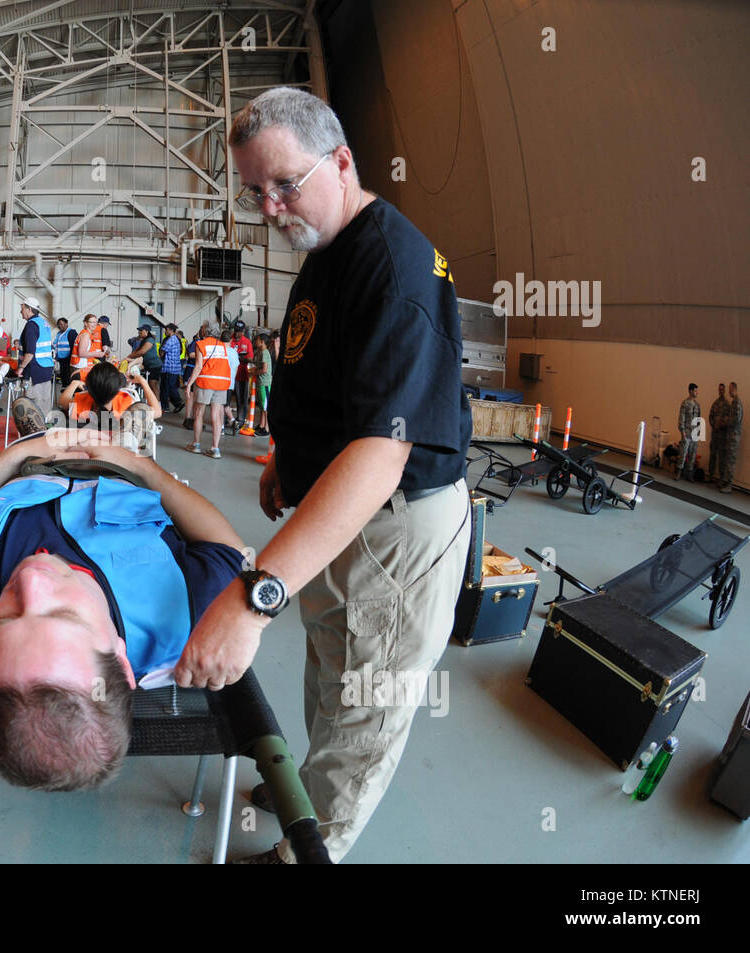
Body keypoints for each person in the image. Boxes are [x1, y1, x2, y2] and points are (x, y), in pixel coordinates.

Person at [175, 87, 472, 864]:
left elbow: (381, 451)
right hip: (337, 512)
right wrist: (287, 456)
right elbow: (337, 384)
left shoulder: (394, 267)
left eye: (284, 184)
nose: (269, 207)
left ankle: (316, 844)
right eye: (255, 192)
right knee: (331, 670)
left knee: (365, 701)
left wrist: (253, 596)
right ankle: (302, 782)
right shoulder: (328, 250)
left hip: (393, 522)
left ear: (342, 161)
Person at [0, 430, 246, 790]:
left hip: (27, 470)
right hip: (118, 472)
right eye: (64, 615)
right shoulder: (186, 613)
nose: (31, 579)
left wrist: (13, 457)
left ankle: (39, 428)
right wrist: (140, 464)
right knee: (121, 418)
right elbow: (228, 548)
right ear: (122, 661)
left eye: (5, 619)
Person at [183, 321, 231, 458]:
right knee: (216, 415)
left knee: (199, 413)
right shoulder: (223, 346)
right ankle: (215, 449)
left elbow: (198, 367)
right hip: (222, 383)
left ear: (205, 331)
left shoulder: (201, 344)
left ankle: (196, 445)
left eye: (203, 328)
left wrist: (188, 384)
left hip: (205, 382)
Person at [16, 298, 55, 418]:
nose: (20, 311)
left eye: (22, 309)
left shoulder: (31, 326)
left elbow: (30, 353)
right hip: (46, 368)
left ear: (29, 309)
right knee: (44, 403)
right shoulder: (43, 323)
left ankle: (34, 432)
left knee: (32, 405)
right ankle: (44, 429)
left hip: (34, 370)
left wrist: (21, 368)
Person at [225, 320, 254, 433]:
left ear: (243, 332)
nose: (237, 334)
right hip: (229, 375)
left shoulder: (247, 342)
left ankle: (241, 419)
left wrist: (240, 358)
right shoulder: (229, 340)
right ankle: (226, 419)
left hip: (242, 375)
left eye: (240, 332)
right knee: (226, 398)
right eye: (236, 331)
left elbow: (251, 358)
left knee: (241, 398)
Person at [719, 381, 742, 492]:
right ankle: (726, 481)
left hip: (734, 437)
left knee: (731, 461)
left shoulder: (737, 403)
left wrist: (727, 421)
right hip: (730, 436)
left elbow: (736, 420)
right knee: (728, 460)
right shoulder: (734, 402)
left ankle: (729, 485)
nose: (728, 391)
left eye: (730, 389)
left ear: (734, 389)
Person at [676, 383, 700, 481]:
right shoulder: (685, 403)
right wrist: (682, 431)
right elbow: (681, 418)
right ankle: (678, 472)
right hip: (686, 431)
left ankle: (689, 473)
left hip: (694, 433)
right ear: (690, 391)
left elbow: (699, 419)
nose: (696, 392)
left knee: (692, 454)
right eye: (695, 390)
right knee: (683, 452)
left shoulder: (697, 405)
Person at [159, 324, 185, 414]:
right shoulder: (176, 339)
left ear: (170, 330)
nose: (165, 332)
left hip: (169, 367)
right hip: (174, 367)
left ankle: (171, 405)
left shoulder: (170, 340)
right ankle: (177, 403)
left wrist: (160, 355)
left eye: (166, 330)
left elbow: (162, 351)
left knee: (166, 388)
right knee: (170, 387)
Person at [253, 331, 273, 437]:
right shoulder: (261, 352)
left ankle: (267, 428)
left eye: (257, 340)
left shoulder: (265, 352)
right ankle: (261, 425)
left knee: (265, 407)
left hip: (265, 383)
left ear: (262, 342)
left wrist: (254, 372)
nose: (255, 342)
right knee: (261, 406)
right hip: (261, 382)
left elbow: (264, 370)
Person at [52, 317, 75, 391]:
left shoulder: (71, 332)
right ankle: (64, 387)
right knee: (62, 374)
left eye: (61, 324)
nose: (60, 326)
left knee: (68, 374)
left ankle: (68, 389)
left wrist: (72, 358)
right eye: (58, 325)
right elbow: (55, 345)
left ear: (66, 324)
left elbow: (73, 346)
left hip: (68, 358)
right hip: (61, 358)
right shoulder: (59, 334)